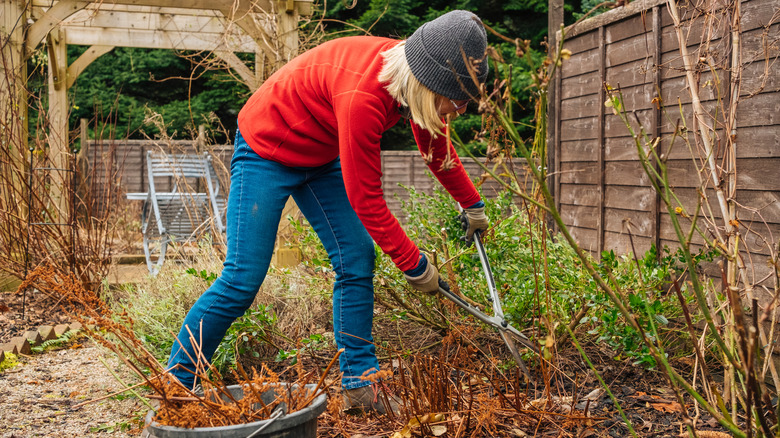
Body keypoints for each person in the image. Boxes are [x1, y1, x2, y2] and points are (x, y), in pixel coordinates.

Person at [166, 9, 490, 414]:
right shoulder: (364, 98)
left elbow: (436, 150)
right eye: (457, 100)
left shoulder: (411, 82)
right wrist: (414, 265)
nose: (460, 110)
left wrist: (472, 205)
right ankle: (177, 386)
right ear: (429, 83)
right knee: (242, 277)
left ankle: (360, 385)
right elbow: (367, 200)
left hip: (319, 155)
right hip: (266, 150)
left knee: (356, 257)